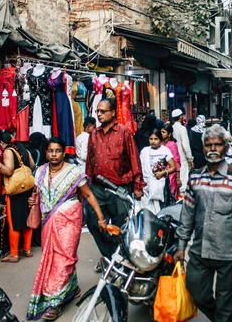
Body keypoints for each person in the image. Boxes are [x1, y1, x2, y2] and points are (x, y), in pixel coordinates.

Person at [174, 124, 232, 322]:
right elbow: (187, 214)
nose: (213, 149)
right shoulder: (195, 176)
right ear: (203, 149)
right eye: (208, 145)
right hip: (201, 250)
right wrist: (181, 245)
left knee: (226, 305)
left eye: (217, 145)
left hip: (230, 254)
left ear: (226, 148)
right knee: (195, 290)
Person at [26, 138, 107, 321]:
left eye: (58, 151)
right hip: (49, 222)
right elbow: (37, 195)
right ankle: (71, 289)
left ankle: (55, 303)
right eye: (51, 151)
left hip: (70, 220)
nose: (54, 154)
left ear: (64, 153)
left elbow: (87, 194)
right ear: (46, 153)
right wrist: (33, 202)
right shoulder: (40, 172)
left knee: (65, 259)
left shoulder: (73, 172)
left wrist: (100, 218)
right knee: (53, 259)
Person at [85, 98, 145, 262]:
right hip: (97, 187)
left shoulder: (124, 132)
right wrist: (86, 186)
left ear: (112, 112)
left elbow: (134, 159)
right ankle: (111, 256)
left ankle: (120, 258)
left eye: (103, 111)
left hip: (120, 188)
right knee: (94, 223)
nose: (99, 114)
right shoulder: (94, 134)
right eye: (97, 111)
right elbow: (90, 161)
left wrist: (138, 185)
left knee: (120, 227)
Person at [0, 131, 35, 263]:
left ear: (2, 143)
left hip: (15, 190)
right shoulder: (22, 149)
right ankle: (27, 249)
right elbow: (32, 166)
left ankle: (14, 254)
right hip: (26, 187)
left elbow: (8, 171)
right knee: (26, 219)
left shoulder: (8, 151)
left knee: (14, 221)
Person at [138, 129, 177, 213]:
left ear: (160, 139)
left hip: (160, 186)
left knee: (160, 209)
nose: (153, 141)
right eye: (151, 139)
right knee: (147, 209)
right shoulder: (145, 151)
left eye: (156, 139)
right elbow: (140, 168)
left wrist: (163, 172)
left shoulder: (165, 150)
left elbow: (174, 167)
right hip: (146, 186)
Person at [171, 109, 193, 193]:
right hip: (181, 155)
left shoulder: (171, 128)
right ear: (180, 117)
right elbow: (186, 146)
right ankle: (181, 194)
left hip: (173, 155)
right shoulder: (182, 129)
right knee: (183, 175)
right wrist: (190, 159)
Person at [161, 123, 182, 200]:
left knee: (172, 194)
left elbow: (176, 161)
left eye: (164, 132)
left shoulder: (172, 145)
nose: (161, 134)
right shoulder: (161, 143)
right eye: (161, 132)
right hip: (162, 172)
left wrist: (178, 178)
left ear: (169, 134)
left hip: (171, 173)